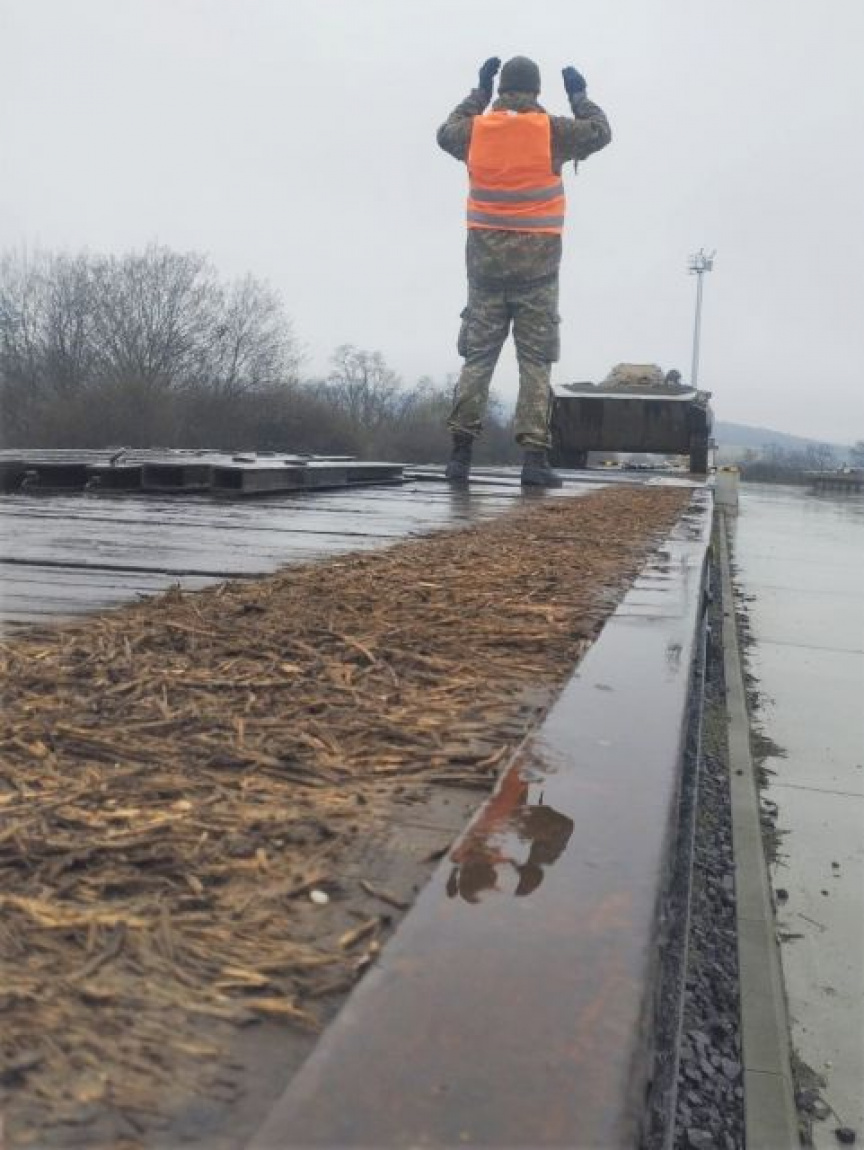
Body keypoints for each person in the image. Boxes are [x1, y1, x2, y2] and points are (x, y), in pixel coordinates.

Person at [437, 55, 611, 487]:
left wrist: (477, 93)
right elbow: (600, 131)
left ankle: (459, 457)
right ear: (536, 90)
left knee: (478, 360)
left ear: (501, 89)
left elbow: (444, 132)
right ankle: (534, 461)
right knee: (535, 363)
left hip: (484, 271)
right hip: (538, 273)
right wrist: (579, 95)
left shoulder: (475, 131)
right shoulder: (552, 131)